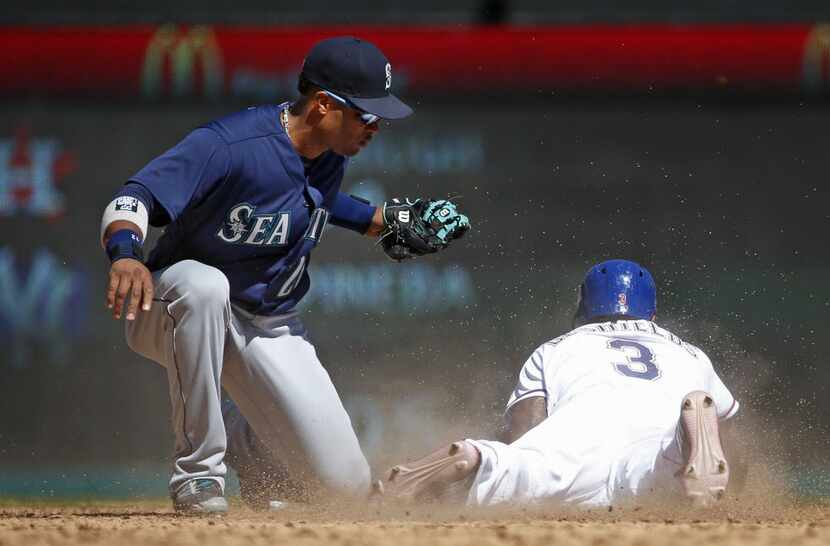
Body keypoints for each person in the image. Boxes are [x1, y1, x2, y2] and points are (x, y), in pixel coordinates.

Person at [99, 36, 470, 514]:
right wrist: (126, 254)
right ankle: (198, 475)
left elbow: (304, 197)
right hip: (173, 307)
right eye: (366, 114)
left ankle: (248, 444)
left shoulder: (330, 155)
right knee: (206, 286)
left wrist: (377, 221)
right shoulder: (230, 145)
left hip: (267, 325)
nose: (376, 126)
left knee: (345, 489)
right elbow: (135, 196)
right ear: (322, 105)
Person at [378, 259, 741, 508]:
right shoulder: (690, 353)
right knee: (664, 468)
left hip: (579, 434)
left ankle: (480, 457)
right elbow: (730, 437)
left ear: (583, 305)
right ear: (652, 313)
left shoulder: (557, 347)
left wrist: (512, 452)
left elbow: (524, 428)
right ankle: (683, 437)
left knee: (523, 466)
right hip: (653, 436)